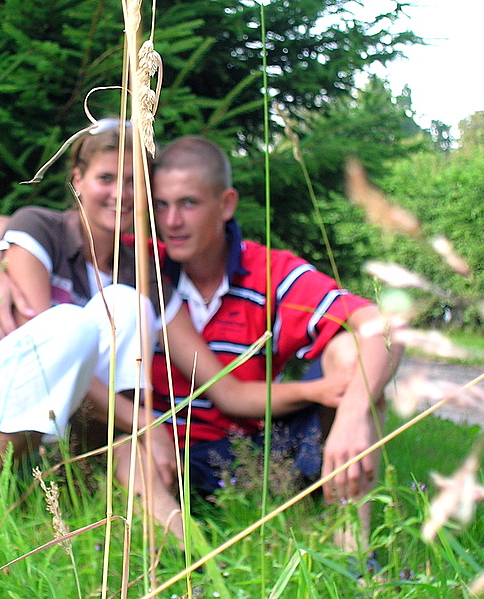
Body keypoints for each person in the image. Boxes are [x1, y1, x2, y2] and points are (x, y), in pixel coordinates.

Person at [0, 122, 269, 503]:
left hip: (30, 450)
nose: (121, 193)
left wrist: (314, 391)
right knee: (71, 326)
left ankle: (80, 501)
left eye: (133, 182)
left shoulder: (141, 273)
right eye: (106, 178)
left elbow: (224, 388)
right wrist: (144, 422)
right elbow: (46, 359)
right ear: (78, 180)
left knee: (127, 305)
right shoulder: (39, 230)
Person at [122, 135, 402, 544]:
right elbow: (69, 235)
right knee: (124, 449)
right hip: (170, 457)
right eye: (161, 205)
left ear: (226, 204)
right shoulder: (138, 263)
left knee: (351, 354)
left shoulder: (271, 273)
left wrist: (352, 415)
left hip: (262, 450)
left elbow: (384, 327)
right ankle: (185, 555)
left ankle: (353, 552)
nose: (172, 221)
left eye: (189, 203)